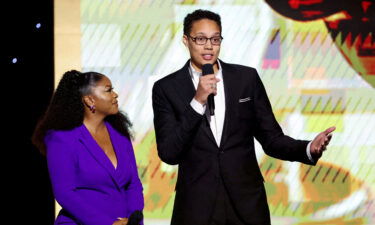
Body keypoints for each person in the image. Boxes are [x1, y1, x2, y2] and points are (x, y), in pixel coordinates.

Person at [152, 9, 335, 225]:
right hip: (196, 206)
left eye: (215, 39)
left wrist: (307, 148)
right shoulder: (166, 88)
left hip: (246, 204)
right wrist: (198, 101)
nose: (209, 46)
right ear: (186, 40)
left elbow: (271, 139)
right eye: (200, 39)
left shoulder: (245, 79)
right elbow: (169, 152)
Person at [32, 70, 144, 225]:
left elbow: (134, 184)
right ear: (90, 100)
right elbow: (65, 193)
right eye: (108, 90)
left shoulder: (119, 134)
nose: (115, 94)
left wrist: (133, 219)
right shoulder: (61, 139)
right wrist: (106, 223)